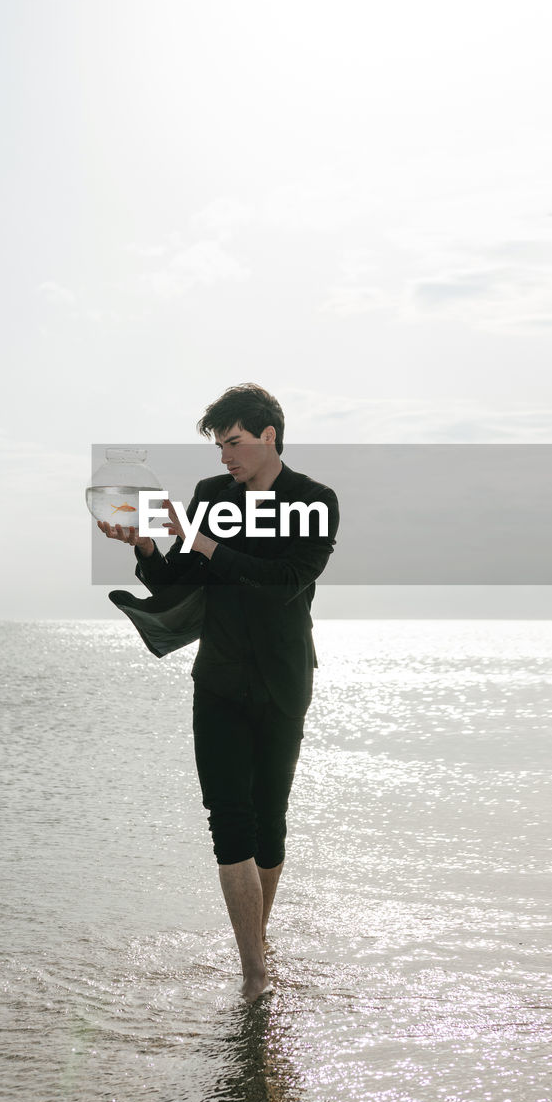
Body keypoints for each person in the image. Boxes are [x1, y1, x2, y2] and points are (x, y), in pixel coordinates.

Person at [97, 384, 339, 1001]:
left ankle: (258, 939)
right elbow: (181, 578)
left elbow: (284, 581)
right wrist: (149, 546)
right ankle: (254, 970)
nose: (224, 457)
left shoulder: (315, 500)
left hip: (284, 678)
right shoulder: (211, 497)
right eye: (218, 445)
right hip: (220, 679)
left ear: (268, 437)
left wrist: (205, 541)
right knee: (228, 820)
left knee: (270, 823)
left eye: (232, 443)